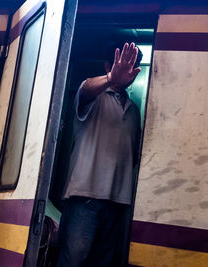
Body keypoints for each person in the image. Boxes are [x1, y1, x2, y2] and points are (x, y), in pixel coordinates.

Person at [57, 42, 143, 267]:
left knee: (103, 263)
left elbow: (133, 155)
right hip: (85, 197)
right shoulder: (93, 97)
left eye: (134, 67)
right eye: (123, 66)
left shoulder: (134, 110)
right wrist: (111, 78)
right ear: (108, 64)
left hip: (117, 200)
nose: (129, 73)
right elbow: (85, 89)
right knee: (73, 261)